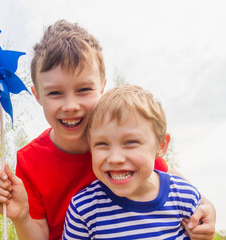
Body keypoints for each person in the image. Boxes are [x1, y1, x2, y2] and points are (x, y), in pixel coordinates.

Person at [0, 20, 216, 240]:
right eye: (55, 93)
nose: (70, 106)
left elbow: (164, 177)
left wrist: (207, 206)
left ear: (102, 87)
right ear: (37, 95)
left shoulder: (125, 145)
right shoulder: (31, 161)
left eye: (84, 89)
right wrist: (21, 217)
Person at [62, 84, 201, 239]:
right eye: (102, 144)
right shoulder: (84, 209)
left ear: (161, 146)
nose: (115, 158)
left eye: (130, 143)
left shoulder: (185, 197)